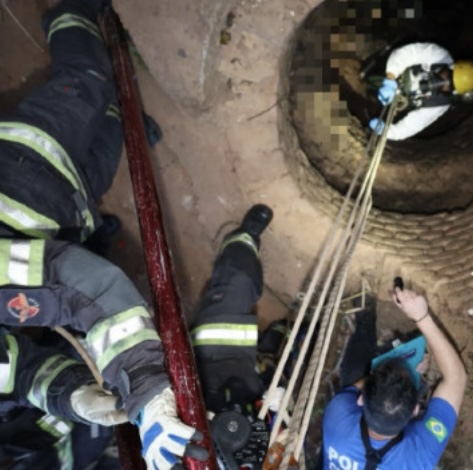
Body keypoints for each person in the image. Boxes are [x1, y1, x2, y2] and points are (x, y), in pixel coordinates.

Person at [0, 1, 207, 468]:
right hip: (66, 205)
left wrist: (148, 390)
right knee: (112, 138)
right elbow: (19, 374)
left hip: (29, 159)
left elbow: (78, 282)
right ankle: (127, 119)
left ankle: (70, 13)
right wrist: (74, 397)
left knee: (88, 80)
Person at [321, 287, 468, 470]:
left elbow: (457, 379)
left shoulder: (337, 418)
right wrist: (422, 318)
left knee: (354, 373)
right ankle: (398, 343)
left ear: (361, 399)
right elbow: (457, 378)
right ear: (415, 410)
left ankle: (365, 325)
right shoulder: (418, 456)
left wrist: (393, 379)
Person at [189, 203, 276, 469]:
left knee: (237, 281)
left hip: (209, 363)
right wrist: (276, 415)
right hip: (248, 387)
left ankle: (244, 238)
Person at [368, 42, 473, 141]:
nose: (442, 83)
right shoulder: (439, 55)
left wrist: (386, 132)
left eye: (448, 86)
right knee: (371, 75)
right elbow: (405, 53)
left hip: (401, 100)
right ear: (450, 67)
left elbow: (412, 126)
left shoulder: (440, 103)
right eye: (445, 76)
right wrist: (390, 78)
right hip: (392, 71)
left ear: (454, 92)